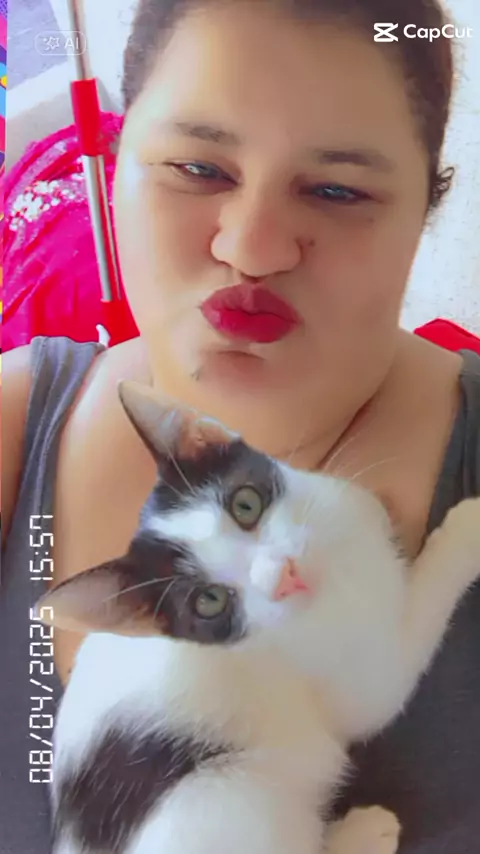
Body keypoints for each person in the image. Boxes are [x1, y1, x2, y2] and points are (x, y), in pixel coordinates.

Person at [1, 0, 479, 852]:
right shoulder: (14, 423)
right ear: (115, 161)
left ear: (425, 210)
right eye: (197, 167)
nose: (252, 249)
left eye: (336, 190)